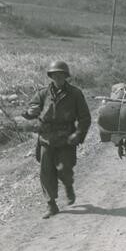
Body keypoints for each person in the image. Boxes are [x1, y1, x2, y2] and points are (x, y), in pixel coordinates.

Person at [22, 61, 91, 219]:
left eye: (61, 75)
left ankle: (68, 186)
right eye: (55, 75)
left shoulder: (75, 94)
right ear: (51, 76)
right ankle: (51, 204)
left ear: (66, 76)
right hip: (46, 138)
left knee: (64, 170)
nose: (58, 78)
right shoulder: (43, 93)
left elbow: (85, 118)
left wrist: (78, 135)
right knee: (46, 172)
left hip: (66, 139)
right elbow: (30, 111)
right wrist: (29, 112)